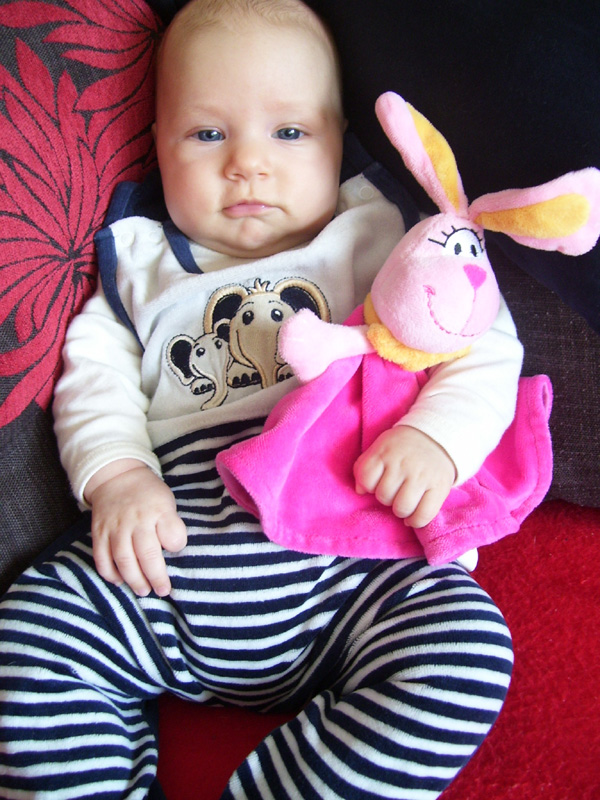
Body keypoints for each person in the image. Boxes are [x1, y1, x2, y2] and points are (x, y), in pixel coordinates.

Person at [0, 1, 521, 798]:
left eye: (289, 132)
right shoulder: (139, 267)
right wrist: (118, 479)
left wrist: (436, 438)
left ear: (339, 140)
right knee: (28, 636)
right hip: (163, 573)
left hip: (354, 573)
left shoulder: (379, 239)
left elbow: (482, 340)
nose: (248, 163)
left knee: (467, 649)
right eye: (208, 133)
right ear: (159, 145)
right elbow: (92, 384)